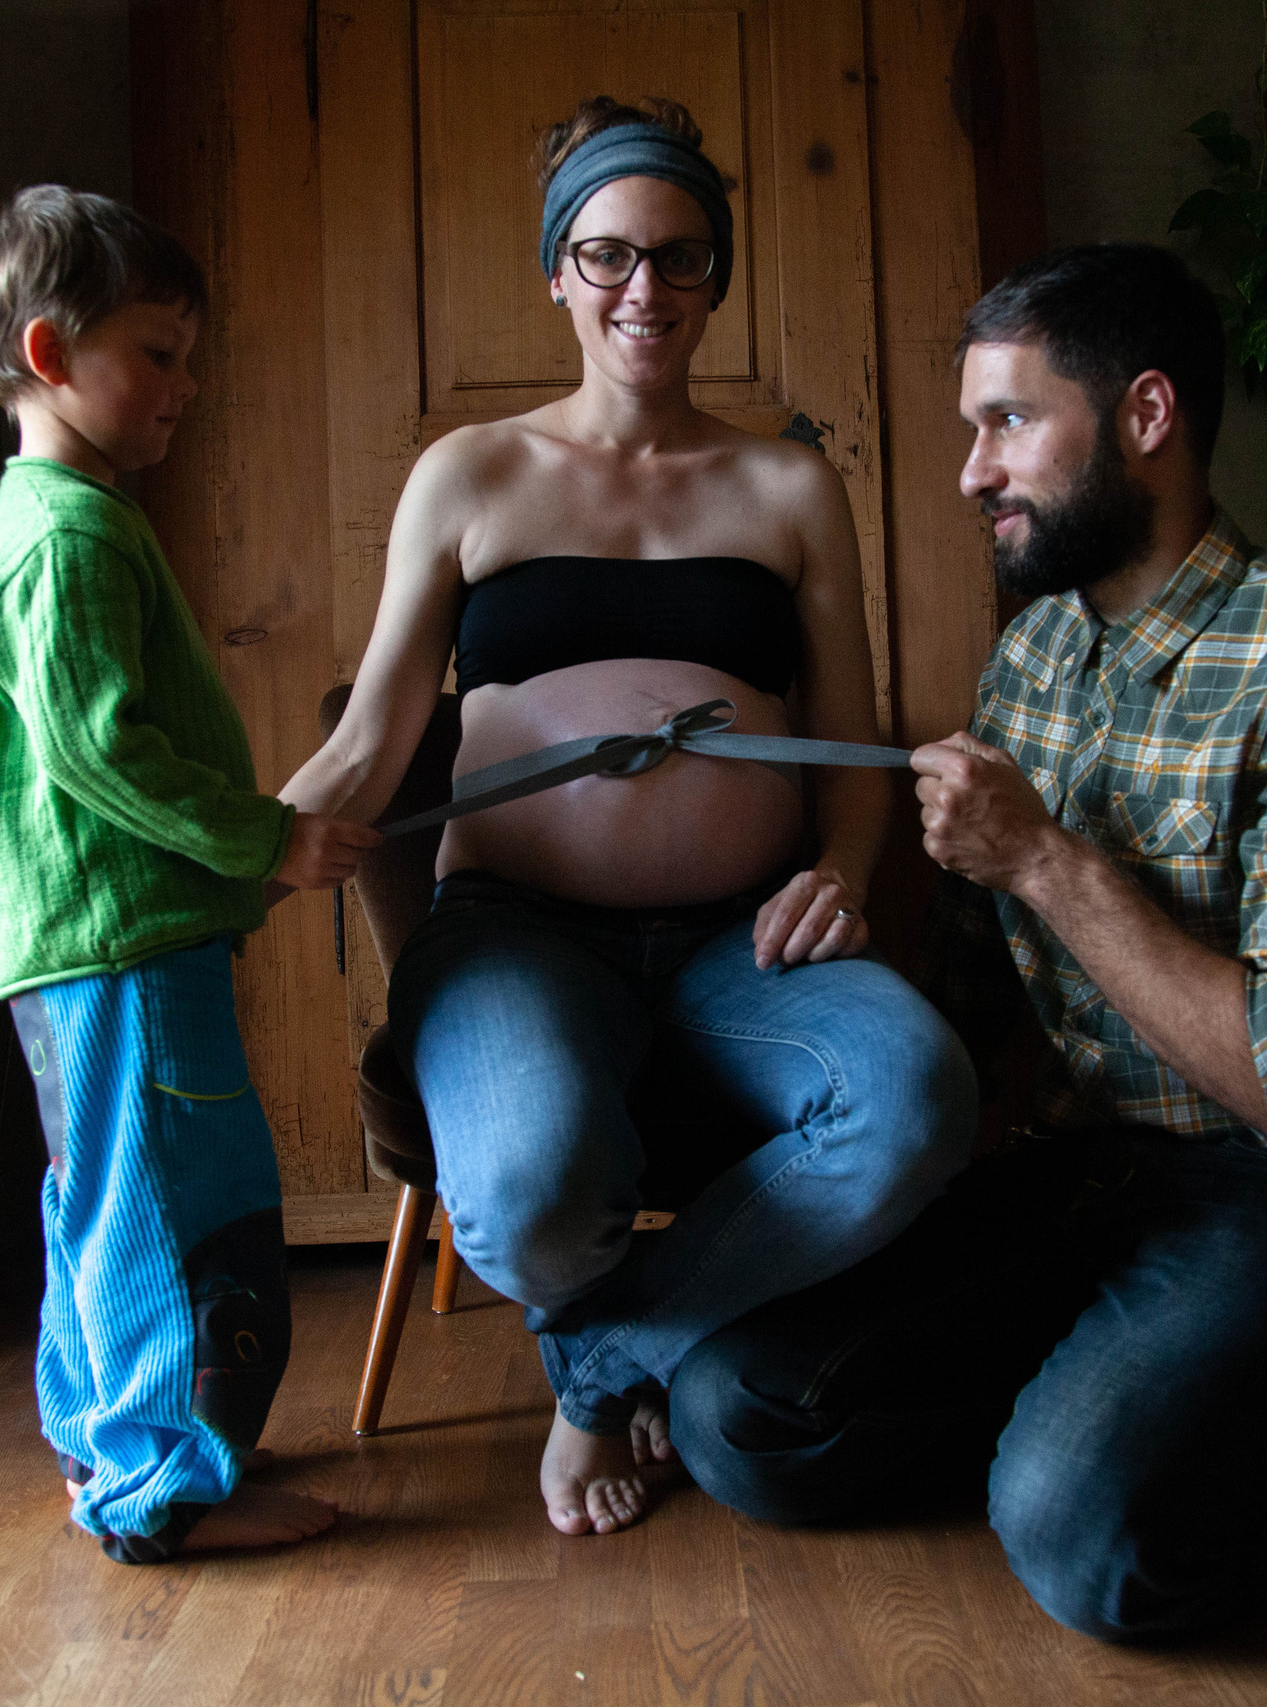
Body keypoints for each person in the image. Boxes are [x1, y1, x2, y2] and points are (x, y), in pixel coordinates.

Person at [666, 242, 1267, 1641]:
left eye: (1009, 422)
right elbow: (978, 1003)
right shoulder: (1034, 658)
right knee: (735, 1412)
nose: (975, 471)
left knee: (1089, 1547)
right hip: (1085, 1176)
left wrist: (1043, 857)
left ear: (1147, 417)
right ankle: (1152, 1396)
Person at [281, 99, 976, 1538]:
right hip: (515, 936)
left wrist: (846, 867)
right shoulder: (471, 476)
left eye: (680, 258)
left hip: (746, 936)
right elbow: (371, 742)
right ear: (556, 270)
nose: (644, 293)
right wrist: (227, 856)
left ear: (719, 273)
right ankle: (633, 1355)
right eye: (605, 257)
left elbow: (854, 738)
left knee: (919, 1103)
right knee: (530, 1185)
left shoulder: (787, 482)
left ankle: (600, 1369)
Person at [0, 186, 382, 1564]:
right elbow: (102, 758)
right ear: (47, 353)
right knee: (159, 1215)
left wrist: (231, 877)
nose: (184, 385)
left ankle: (107, 1451)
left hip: (100, 943)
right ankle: (160, 1489)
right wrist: (270, 838)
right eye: (157, 352)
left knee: (100, 1199)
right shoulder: (68, 538)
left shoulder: (63, 519)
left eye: (189, 355)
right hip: (117, 953)